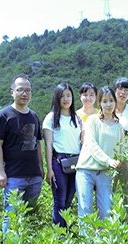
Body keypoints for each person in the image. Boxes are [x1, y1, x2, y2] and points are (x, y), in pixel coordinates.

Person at [0, 74, 44, 238]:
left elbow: (38, 144)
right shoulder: (3, 115)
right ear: (12, 92)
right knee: (12, 216)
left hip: (34, 176)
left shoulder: (34, 116)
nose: (24, 93)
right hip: (13, 176)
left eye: (27, 90)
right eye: (20, 90)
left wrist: (41, 168)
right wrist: (0, 171)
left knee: (29, 214)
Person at [76, 86, 123, 234]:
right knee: (85, 209)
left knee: (106, 210)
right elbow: (90, 144)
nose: (108, 105)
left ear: (115, 103)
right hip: (86, 170)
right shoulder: (92, 120)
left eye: (111, 101)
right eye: (104, 101)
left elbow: (120, 149)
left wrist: (117, 161)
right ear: (100, 103)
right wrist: (108, 160)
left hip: (105, 172)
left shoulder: (118, 125)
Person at [43, 83, 82, 228]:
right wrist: (50, 170)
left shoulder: (77, 118)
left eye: (68, 96)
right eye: (62, 96)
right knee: (59, 200)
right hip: (58, 162)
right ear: (57, 98)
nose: (66, 99)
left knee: (69, 200)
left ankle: (65, 233)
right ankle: (60, 236)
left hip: (76, 162)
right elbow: (48, 145)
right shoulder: (51, 118)